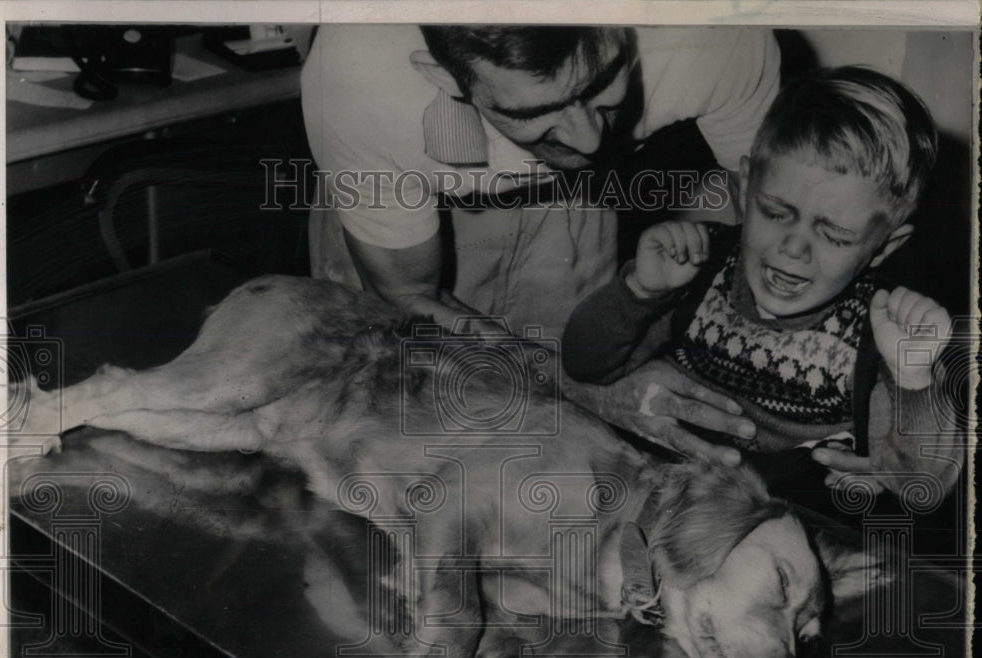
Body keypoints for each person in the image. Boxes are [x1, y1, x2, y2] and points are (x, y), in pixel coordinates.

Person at [301, 24, 780, 462]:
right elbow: (404, 297)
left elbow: (781, 213)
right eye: (535, 112)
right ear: (442, 76)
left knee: (558, 456)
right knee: (391, 435)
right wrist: (587, 388)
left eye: (602, 83)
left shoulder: (716, 28)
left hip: (576, 200)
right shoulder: (355, 74)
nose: (591, 140)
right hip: (408, 198)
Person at [561, 65, 962, 498]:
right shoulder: (699, 267)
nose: (794, 247)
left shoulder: (880, 332)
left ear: (884, 247)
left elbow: (922, 485)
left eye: (835, 236)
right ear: (746, 185)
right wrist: (637, 291)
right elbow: (583, 363)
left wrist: (913, 377)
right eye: (774, 212)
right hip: (646, 490)